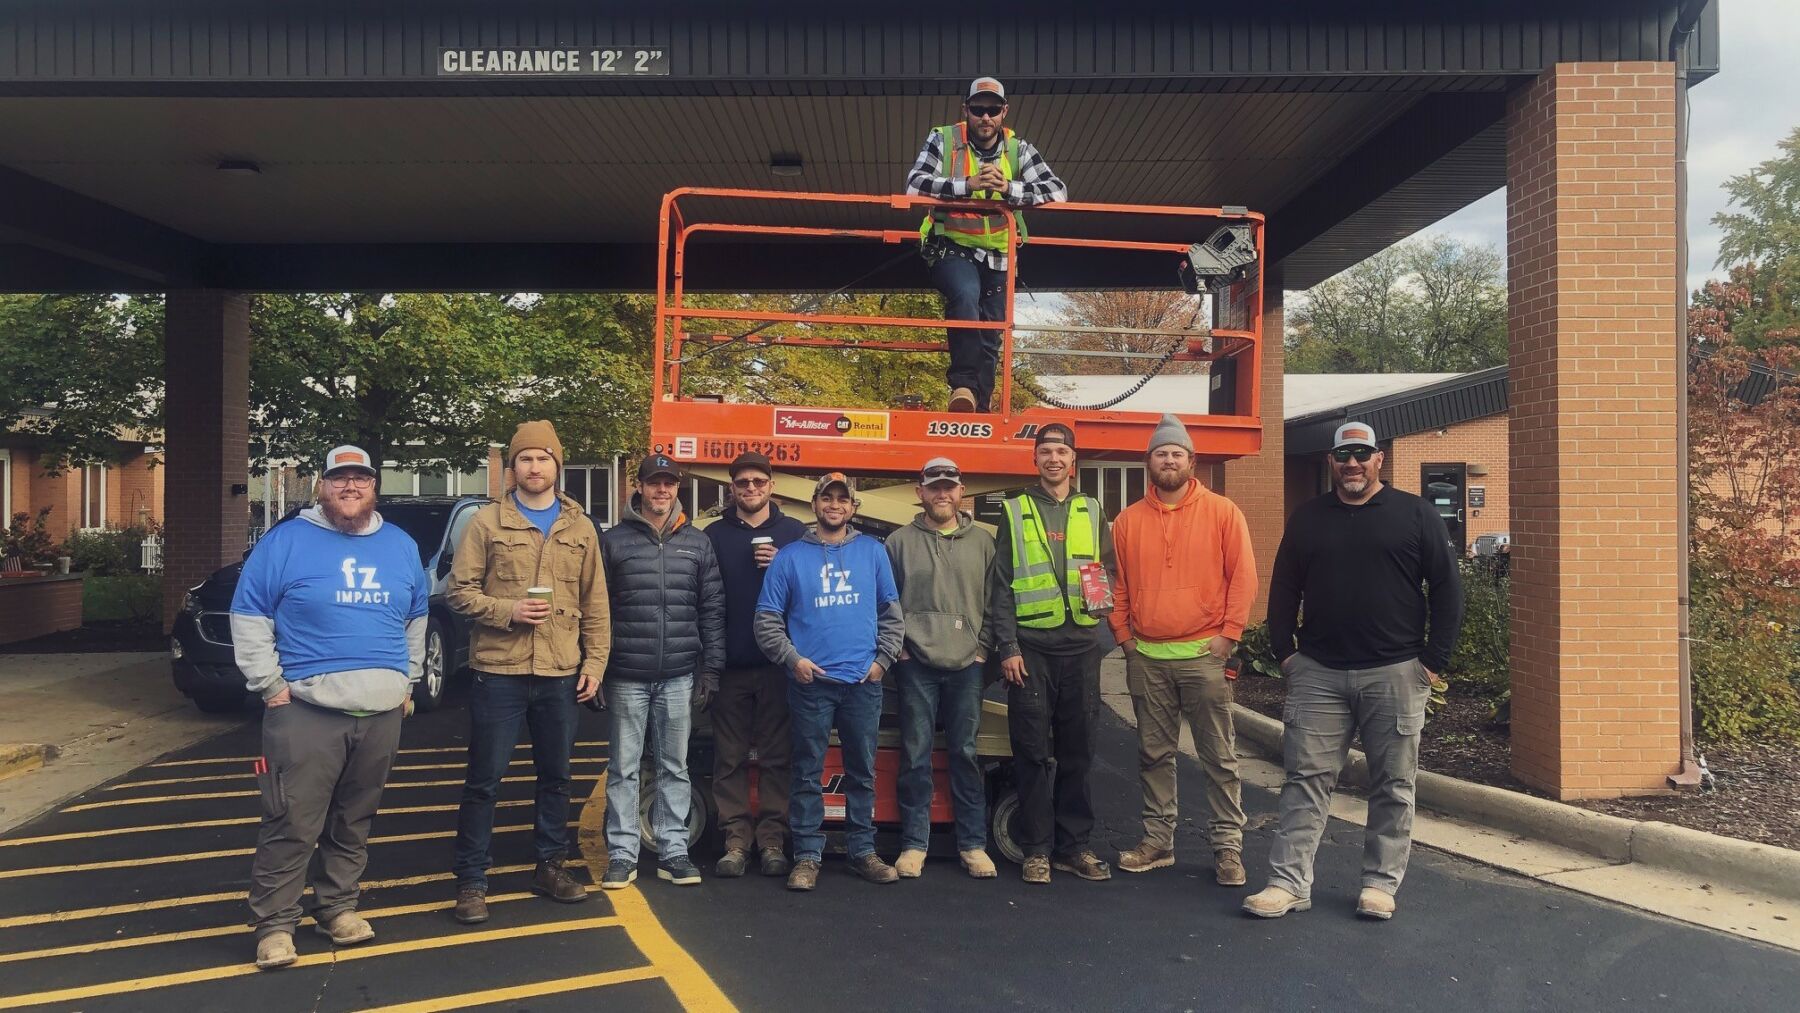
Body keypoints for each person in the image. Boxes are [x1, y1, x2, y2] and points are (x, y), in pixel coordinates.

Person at [1244, 421, 1463, 922]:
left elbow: (1448, 591)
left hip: (1395, 672)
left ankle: (1380, 885)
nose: (1353, 464)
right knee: (1305, 780)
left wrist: (1432, 662)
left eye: (1363, 454)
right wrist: (1285, 654)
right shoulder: (1307, 519)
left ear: (1379, 458)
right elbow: (1283, 591)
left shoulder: (1416, 515)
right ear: (1331, 462)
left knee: (1392, 783)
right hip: (1318, 673)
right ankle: (1288, 882)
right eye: (1344, 455)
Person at [232, 444, 428, 971]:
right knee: (292, 818)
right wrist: (269, 684)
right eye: (339, 479)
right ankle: (275, 925)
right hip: (305, 709)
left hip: (382, 710)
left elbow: (415, 619)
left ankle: (337, 908)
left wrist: (407, 682)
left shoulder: (400, 545)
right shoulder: (287, 541)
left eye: (360, 478)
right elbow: (249, 615)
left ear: (373, 486)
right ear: (322, 486)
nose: (350, 487)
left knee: (354, 818)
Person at [447, 421, 609, 924]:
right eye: (525, 459)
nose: (534, 467)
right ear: (511, 468)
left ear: (557, 465)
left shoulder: (581, 528)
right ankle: (472, 881)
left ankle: (550, 866)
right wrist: (508, 612)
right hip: (500, 671)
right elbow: (458, 593)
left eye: (543, 459)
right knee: (484, 780)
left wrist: (595, 663)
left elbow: (596, 603)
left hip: (560, 671)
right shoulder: (486, 523)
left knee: (556, 777)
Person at [1109, 415, 1255, 887]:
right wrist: (1126, 640)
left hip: (1204, 657)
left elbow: (1243, 578)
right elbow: (1120, 585)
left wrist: (1229, 635)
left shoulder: (1223, 512)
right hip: (1148, 658)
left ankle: (1228, 847)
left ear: (1191, 462)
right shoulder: (1128, 521)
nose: (1168, 460)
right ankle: (1158, 841)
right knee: (1153, 754)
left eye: (1176, 453)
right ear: (1148, 461)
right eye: (1160, 453)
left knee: (1218, 756)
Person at [755, 473, 905, 891]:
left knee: (862, 770)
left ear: (853, 507)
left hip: (863, 682)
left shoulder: (873, 553)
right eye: (827, 497)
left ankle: (862, 851)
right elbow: (766, 619)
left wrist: (882, 661)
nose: (834, 504)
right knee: (806, 771)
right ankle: (806, 854)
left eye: (843, 499)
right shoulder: (789, 558)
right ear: (815, 503)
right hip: (811, 683)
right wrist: (793, 660)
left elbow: (892, 613)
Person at [987, 423, 1117, 884]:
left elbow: (1107, 571)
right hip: (1031, 652)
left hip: (1082, 648)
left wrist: (1103, 612)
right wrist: (1008, 647)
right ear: (1035, 460)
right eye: (1045, 451)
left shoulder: (1091, 508)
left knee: (1079, 752)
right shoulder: (1015, 509)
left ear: (1072, 459)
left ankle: (1073, 847)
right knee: (1031, 751)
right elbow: (1000, 584)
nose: (1054, 458)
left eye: (1061, 451)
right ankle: (1037, 849)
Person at [599, 453, 725, 889]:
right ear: (640, 486)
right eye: (655, 482)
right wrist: (596, 668)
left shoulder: (698, 542)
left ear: (677, 487)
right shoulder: (613, 541)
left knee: (675, 765)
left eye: (669, 483)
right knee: (623, 767)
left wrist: (710, 669)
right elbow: (597, 612)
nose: (662, 490)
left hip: (678, 674)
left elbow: (711, 610)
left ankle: (674, 850)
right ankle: (621, 853)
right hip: (625, 675)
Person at [906, 75, 1068, 414]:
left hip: (999, 254)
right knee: (965, 296)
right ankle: (963, 386)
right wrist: (969, 184)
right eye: (978, 109)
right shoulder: (944, 139)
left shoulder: (1017, 148)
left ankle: (981, 405)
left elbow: (1058, 191)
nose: (985, 117)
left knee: (992, 330)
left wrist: (1009, 188)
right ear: (965, 110)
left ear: (1004, 112)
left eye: (993, 109)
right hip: (950, 245)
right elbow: (914, 185)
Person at [885, 457, 998, 880]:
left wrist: (983, 649)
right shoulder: (898, 542)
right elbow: (887, 601)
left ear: (961, 491)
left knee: (965, 754)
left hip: (968, 664)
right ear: (920, 492)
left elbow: (994, 601)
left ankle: (973, 845)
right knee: (915, 755)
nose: (942, 493)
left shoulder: (983, 542)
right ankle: (914, 844)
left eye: (949, 486)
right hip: (916, 665)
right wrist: (899, 651)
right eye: (934, 486)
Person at [703, 451, 808, 878]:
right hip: (729, 664)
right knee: (727, 759)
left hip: (778, 666)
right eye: (743, 483)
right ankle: (734, 841)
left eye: (758, 482)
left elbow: (810, 597)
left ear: (771, 486)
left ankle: (771, 842)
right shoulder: (712, 535)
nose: (751, 489)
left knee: (776, 758)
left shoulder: (794, 534)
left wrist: (782, 563)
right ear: (732, 489)